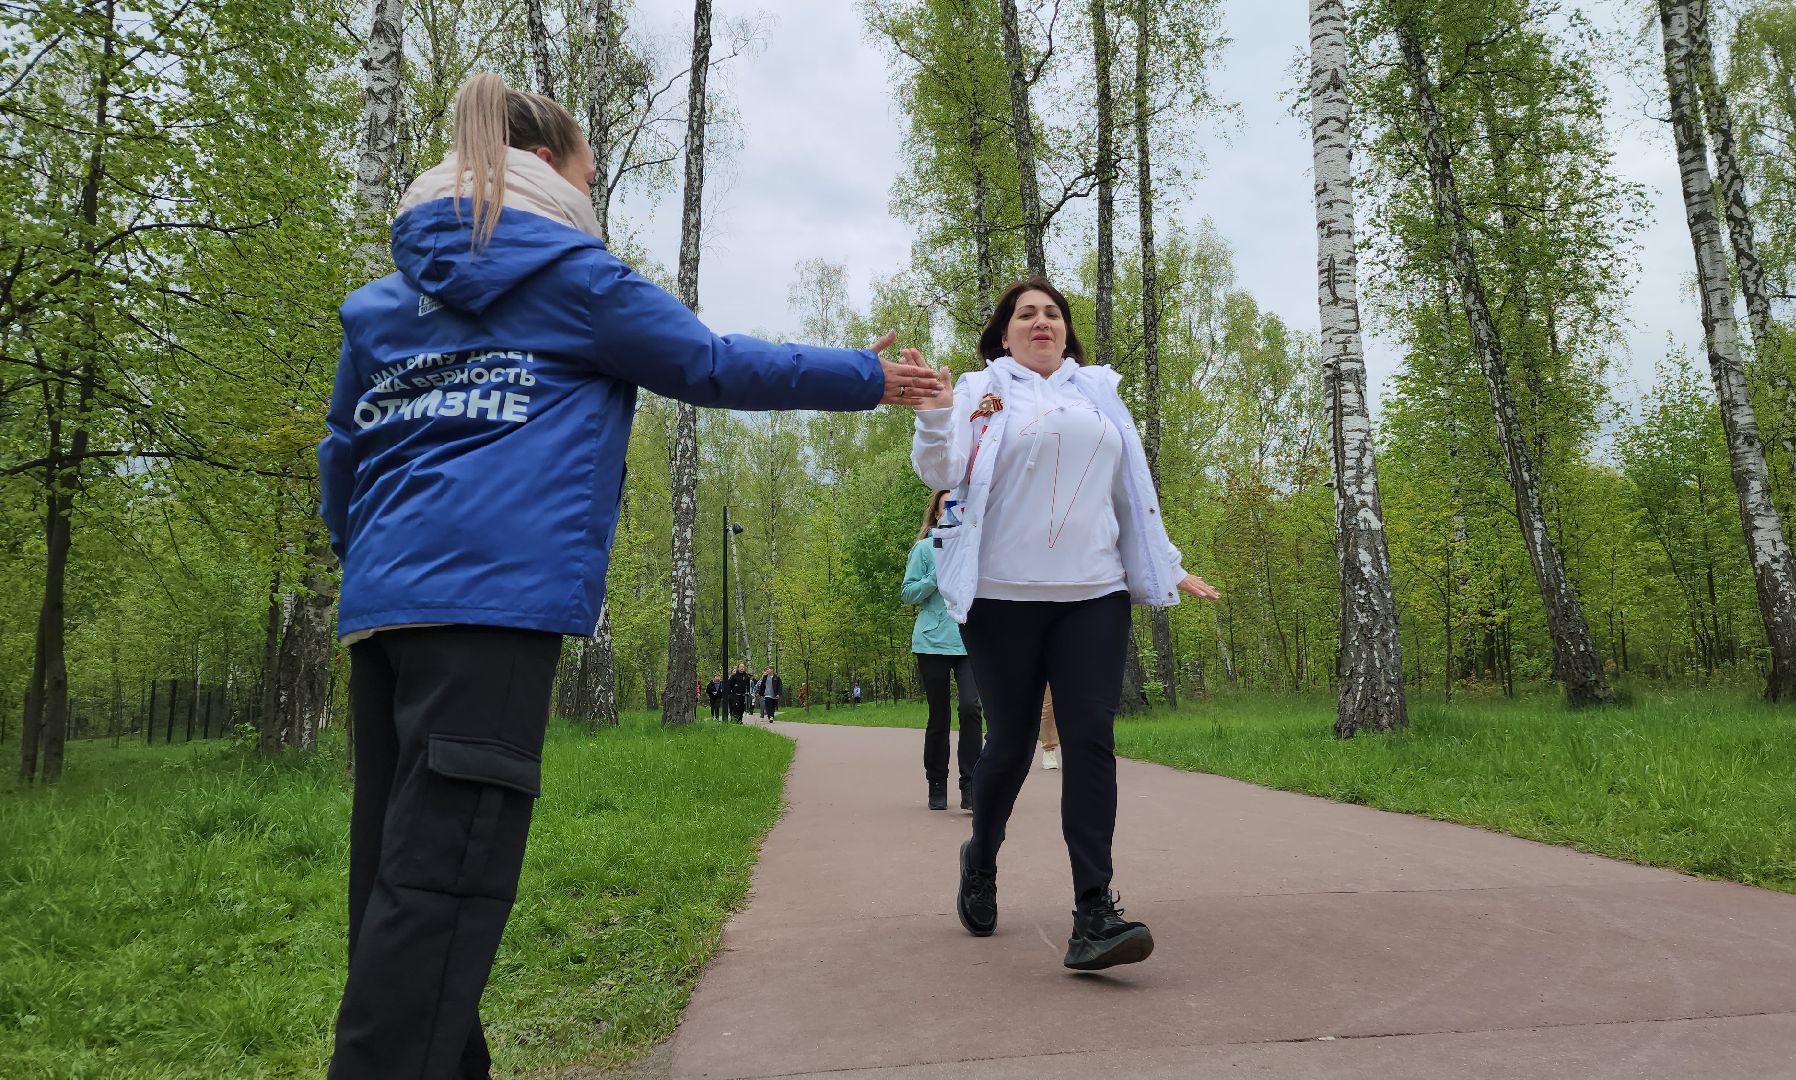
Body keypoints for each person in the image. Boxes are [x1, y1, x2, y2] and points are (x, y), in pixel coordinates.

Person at [318, 73, 940, 1078]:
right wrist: (866, 377)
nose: (594, 192)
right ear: (555, 168)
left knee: (401, 883)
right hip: (493, 610)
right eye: (592, 172)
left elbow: (342, 454)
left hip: (387, 618)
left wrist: (377, 564)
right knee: (444, 886)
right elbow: (713, 363)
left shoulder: (385, 301)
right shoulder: (573, 277)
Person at [908, 278, 1219, 972]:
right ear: (1005, 332)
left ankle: (1093, 913)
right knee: (1012, 742)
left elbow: (1133, 491)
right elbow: (942, 470)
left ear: (1066, 331)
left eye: (1052, 313)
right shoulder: (980, 393)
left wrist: (1165, 564)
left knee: (1089, 740)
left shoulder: (1098, 395)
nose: (1041, 321)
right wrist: (933, 413)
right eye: (1026, 314)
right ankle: (981, 856)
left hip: (1094, 593)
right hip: (1001, 597)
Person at [903, 488, 984, 812]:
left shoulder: (973, 550)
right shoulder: (924, 549)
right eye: (946, 506)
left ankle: (971, 784)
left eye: (958, 506)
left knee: (970, 709)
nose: (952, 511)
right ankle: (936, 783)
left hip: (969, 641)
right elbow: (908, 593)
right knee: (939, 715)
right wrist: (936, 576)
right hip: (932, 642)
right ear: (937, 514)